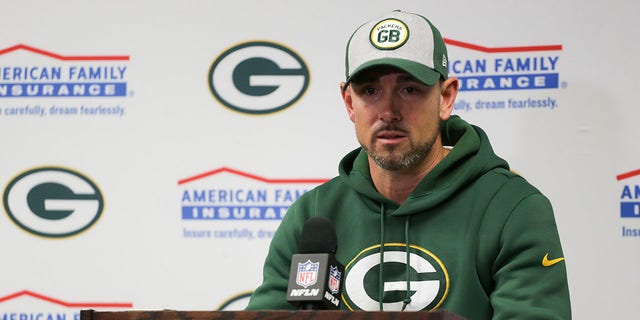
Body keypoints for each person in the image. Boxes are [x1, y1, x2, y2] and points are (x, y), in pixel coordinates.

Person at [245, 10, 571, 319]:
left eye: (409, 89)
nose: (389, 111)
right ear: (349, 103)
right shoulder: (312, 214)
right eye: (370, 90)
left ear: (445, 97)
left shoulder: (512, 208)